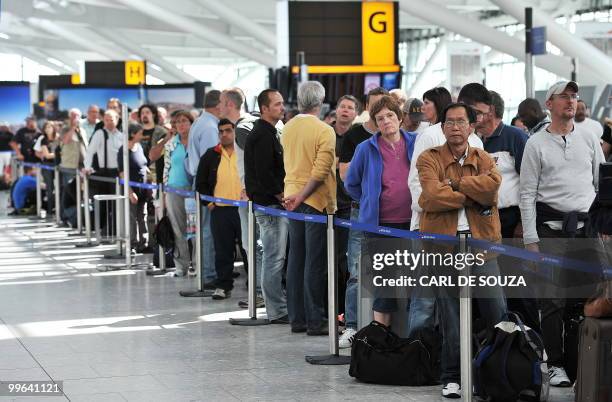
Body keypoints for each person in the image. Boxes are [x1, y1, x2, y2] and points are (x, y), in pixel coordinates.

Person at [417, 102, 506, 398]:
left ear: (471, 127)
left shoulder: (483, 157)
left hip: (482, 244)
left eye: (461, 122)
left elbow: (492, 190)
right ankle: (452, 376)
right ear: (442, 128)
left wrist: (454, 184)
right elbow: (430, 195)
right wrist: (472, 195)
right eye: (450, 122)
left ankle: (495, 374)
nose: (455, 127)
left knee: (496, 310)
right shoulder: (429, 158)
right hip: (444, 245)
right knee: (450, 315)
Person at [520, 81, 605, 387]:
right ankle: (555, 363)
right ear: (549, 104)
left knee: (591, 296)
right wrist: (531, 240)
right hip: (550, 231)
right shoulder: (536, 144)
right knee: (552, 300)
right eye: (564, 97)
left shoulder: (588, 138)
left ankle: (583, 358)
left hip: (586, 229)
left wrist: (602, 224)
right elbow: (527, 194)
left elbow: (599, 181)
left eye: (573, 96)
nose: (571, 101)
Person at [344, 95, 416, 335]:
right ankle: (380, 339)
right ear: (374, 123)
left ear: (400, 118)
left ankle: (412, 340)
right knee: (385, 285)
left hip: (412, 224)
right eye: (380, 118)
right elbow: (351, 184)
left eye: (390, 116)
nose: (386, 121)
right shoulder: (365, 148)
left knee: (414, 283)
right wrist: (368, 200)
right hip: (379, 227)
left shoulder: (415, 143)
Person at [282, 81, 336, 335]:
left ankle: (297, 318)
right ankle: (315, 320)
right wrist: (303, 197)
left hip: (291, 197)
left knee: (296, 259)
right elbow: (321, 171)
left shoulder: (287, 128)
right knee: (314, 262)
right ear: (321, 102)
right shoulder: (324, 130)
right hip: (313, 202)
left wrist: (294, 197)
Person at [481, 91, 537, 331]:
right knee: (490, 287)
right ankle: (497, 343)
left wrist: (524, 223)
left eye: (477, 109)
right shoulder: (475, 141)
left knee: (518, 285)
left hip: (511, 219)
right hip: (483, 222)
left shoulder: (515, 137)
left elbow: (530, 182)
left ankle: (532, 341)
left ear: (491, 111)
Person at [336, 87, 388, 347]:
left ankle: (384, 326)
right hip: (362, 210)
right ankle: (353, 324)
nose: (382, 114)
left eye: (386, 107)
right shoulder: (355, 135)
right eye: (376, 106)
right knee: (357, 268)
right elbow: (346, 176)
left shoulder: (397, 138)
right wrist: (368, 193)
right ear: (367, 106)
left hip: (391, 214)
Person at [245, 89, 289, 323]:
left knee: (274, 257)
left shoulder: (268, 132)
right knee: (274, 257)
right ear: (264, 108)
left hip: (268, 202)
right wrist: (281, 195)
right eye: (277, 104)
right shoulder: (263, 134)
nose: (282, 108)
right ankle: (276, 310)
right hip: (269, 205)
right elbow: (264, 173)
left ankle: (276, 307)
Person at [196, 119, 246, 299]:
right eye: (221, 131)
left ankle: (254, 288)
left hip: (243, 210)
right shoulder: (211, 155)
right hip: (221, 211)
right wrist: (210, 204)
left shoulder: (244, 152)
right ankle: (223, 286)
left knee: (248, 249)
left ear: (235, 132)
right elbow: (200, 183)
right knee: (223, 250)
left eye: (228, 130)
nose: (224, 134)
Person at [187, 90, 222, 289]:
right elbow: (212, 164)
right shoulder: (210, 127)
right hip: (208, 186)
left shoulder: (200, 122)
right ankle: (209, 273)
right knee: (209, 231)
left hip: (199, 183)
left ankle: (209, 270)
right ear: (218, 105)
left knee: (206, 230)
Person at [332, 94, 359, 318]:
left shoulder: (356, 138)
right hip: (328, 205)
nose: (345, 110)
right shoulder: (326, 134)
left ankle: (343, 309)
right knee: (332, 257)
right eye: (342, 106)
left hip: (349, 204)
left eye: (350, 108)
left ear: (356, 113)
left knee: (346, 260)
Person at [161, 111, 195, 277]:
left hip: (193, 191)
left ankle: (198, 265)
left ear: (191, 123)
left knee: (195, 230)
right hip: (173, 190)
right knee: (178, 230)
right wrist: (164, 191)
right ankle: (181, 266)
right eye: (177, 122)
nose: (181, 124)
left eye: (184, 121)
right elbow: (166, 168)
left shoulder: (197, 142)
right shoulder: (171, 144)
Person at [118, 123, 149, 251]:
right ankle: (133, 243)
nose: (142, 136)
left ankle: (144, 242)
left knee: (143, 215)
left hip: (143, 188)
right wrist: (130, 192)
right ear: (133, 134)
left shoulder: (139, 147)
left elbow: (144, 165)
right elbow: (122, 173)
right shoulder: (123, 151)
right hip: (132, 188)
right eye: (140, 133)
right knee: (132, 217)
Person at [34, 121, 59, 216]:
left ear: (54, 128)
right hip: (47, 166)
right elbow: (47, 155)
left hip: (58, 166)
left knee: (60, 187)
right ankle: (50, 210)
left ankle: (58, 208)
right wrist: (60, 154)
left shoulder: (59, 137)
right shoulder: (43, 139)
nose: (47, 129)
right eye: (46, 128)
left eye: (49, 127)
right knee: (50, 188)